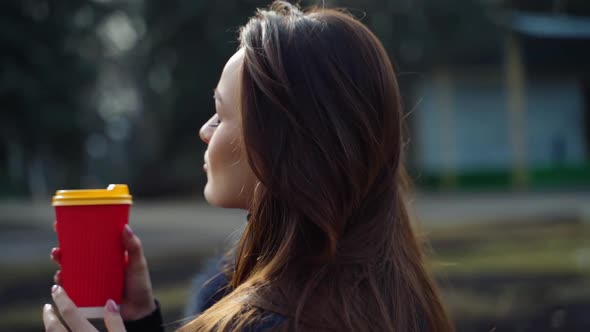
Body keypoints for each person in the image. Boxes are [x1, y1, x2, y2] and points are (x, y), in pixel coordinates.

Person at [42, 1, 454, 331]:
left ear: (278, 144)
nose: (205, 130)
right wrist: (142, 320)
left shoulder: (259, 321)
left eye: (221, 114)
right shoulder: (399, 298)